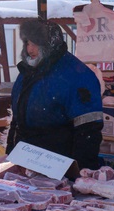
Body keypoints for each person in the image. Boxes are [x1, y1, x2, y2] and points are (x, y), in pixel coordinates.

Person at [7, 19, 103, 172]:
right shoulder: (27, 72)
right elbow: (16, 121)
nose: (29, 50)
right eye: (27, 43)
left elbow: (88, 130)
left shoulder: (77, 75)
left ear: (51, 43)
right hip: (25, 161)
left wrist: (82, 173)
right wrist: (10, 153)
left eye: (35, 44)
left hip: (59, 165)